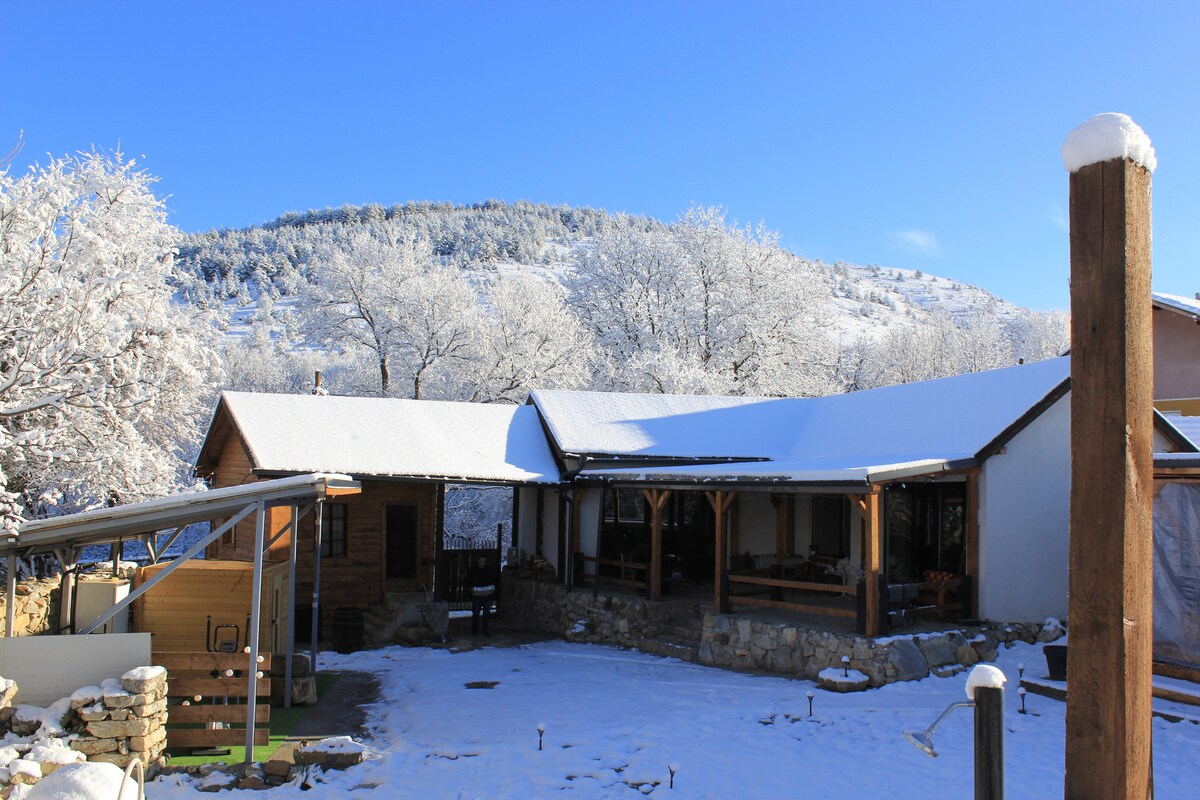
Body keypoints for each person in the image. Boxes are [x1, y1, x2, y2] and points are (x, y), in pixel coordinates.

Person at [465, 555, 495, 636]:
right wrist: (470, 590)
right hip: (477, 595)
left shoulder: (489, 570)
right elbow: (468, 581)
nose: (483, 563)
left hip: (487, 594)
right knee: (476, 613)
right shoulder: (472, 570)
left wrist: (493, 589)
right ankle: (475, 631)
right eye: (481, 561)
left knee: (486, 614)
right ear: (478, 560)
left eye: (484, 561)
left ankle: (485, 631)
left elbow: (494, 579)